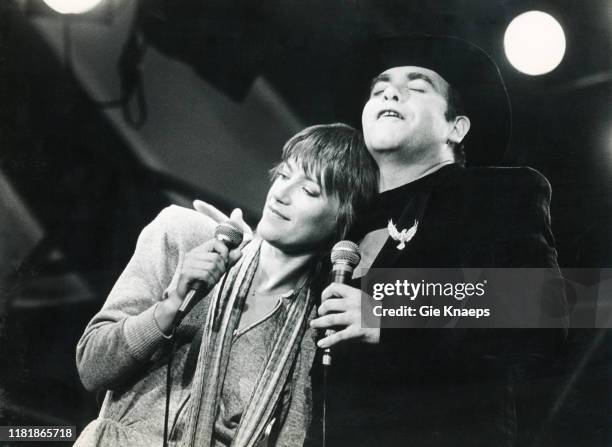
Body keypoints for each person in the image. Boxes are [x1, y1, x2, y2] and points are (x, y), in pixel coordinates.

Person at [196, 35, 567, 446]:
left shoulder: (498, 192)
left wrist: (391, 312)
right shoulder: (340, 221)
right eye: (380, 88)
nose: (391, 91)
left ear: (456, 127)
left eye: (417, 86)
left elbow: (542, 308)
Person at [73, 123, 378, 447]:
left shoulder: (315, 329)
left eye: (309, 190)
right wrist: (172, 304)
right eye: (285, 175)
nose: (282, 194)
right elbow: (91, 368)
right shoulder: (184, 234)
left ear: (342, 222)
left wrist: (382, 317)